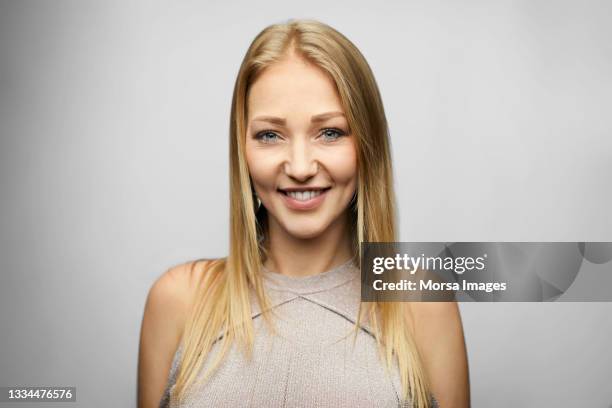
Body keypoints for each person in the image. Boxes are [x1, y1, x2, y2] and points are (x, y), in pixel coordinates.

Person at [138, 19, 469, 408]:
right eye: (269, 135)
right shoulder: (178, 300)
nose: (299, 166)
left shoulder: (422, 303)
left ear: (367, 143)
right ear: (241, 150)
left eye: (329, 132)